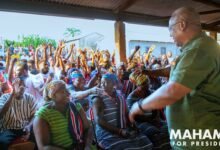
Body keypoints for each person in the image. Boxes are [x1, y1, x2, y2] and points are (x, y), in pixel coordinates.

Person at [129, 7, 220, 150]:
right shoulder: (199, 47)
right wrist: (147, 71)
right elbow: (173, 71)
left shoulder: (198, 49)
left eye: (171, 29)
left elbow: (173, 90)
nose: (170, 35)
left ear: (182, 25)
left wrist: (139, 106)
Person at [92, 73, 153, 150]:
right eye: (101, 82)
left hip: (123, 129)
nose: (102, 85)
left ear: (113, 83)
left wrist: (133, 125)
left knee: (147, 143)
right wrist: (120, 131)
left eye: (105, 82)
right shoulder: (98, 98)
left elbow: (127, 113)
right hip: (106, 133)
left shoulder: (120, 95)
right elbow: (98, 120)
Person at [33, 80, 91, 150]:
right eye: (63, 91)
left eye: (67, 90)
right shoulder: (43, 115)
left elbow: (88, 128)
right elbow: (43, 147)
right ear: (53, 95)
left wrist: (87, 146)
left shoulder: (76, 106)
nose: (69, 93)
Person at [0, 77, 38, 150]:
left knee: (38, 139)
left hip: (24, 128)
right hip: (8, 129)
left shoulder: (30, 98)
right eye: (18, 85)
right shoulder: (4, 97)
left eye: (23, 85)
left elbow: (35, 115)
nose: (21, 87)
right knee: (2, 142)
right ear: (13, 85)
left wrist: (29, 126)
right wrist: (12, 95)